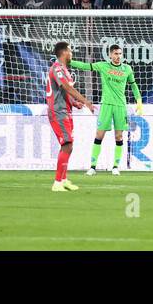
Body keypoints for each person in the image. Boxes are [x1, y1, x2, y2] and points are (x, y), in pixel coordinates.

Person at [70, 44, 143, 175]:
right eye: (115, 54)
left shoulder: (127, 69)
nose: (118, 56)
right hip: (106, 105)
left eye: (120, 54)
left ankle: (115, 167)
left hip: (120, 106)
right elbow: (85, 66)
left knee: (119, 136)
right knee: (99, 135)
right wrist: (70, 62)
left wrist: (139, 101)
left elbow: (133, 85)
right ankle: (92, 167)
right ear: (110, 55)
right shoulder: (103, 66)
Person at [46, 42, 95, 192]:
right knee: (66, 144)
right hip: (57, 111)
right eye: (70, 50)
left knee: (69, 145)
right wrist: (85, 101)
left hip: (65, 111)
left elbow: (64, 92)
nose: (72, 53)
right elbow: (66, 87)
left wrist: (74, 103)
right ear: (64, 52)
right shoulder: (57, 68)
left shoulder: (64, 69)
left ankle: (64, 179)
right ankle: (57, 183)